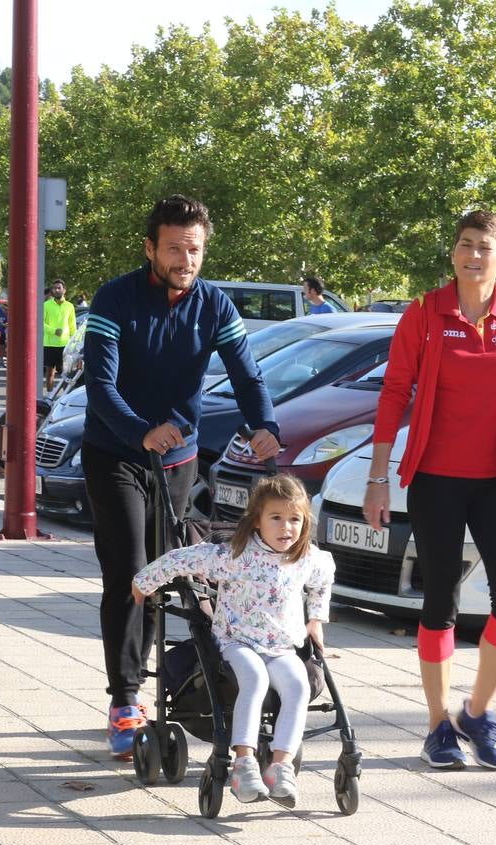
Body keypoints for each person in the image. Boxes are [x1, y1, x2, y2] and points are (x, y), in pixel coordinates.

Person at [83, 193, 281, 759]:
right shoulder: (115, 299)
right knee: (127, 574)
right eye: (174, 248)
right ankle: (124, 699)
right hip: (117, 452)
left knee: (162, 572)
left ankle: (157, 689)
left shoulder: (216, 306)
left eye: (194, 249)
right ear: (150, 248)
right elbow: (101, 385)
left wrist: (263, 423)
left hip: (176, 459)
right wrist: (139, 430)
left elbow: (247, 374)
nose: (185, 259)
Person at [363, 209, 496, 771]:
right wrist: (379, 477)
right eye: (465, 245)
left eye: (485, 247)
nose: (473, 256)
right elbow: (395, 392)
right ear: (453, 252)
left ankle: (477, 712)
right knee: (439, 600)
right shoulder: (424, 313)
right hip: (436, 479)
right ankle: (437, 725)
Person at [133, 475, 333, 807]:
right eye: (277, 518)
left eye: (295, 519)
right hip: (237, 642)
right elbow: (183, 559)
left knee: (298, 686)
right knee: (253, 680)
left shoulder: (306, 557)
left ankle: (281, 766)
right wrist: (144, 581)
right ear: (257, 521)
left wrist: (316, 619)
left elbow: (324, 578)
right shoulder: (236, 555)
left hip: (281, 646)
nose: (287, 528)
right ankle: (244, 762)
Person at [42, 279, 75, 392]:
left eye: (59, 288)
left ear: (64, 290)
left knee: (66, 375)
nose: (56, 290)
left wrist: (74, 343)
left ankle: (64, 397)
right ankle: (49, 397)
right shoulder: (46, 305)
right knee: (50, 373)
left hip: (65, 345)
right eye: (54, 288)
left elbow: (72, 326)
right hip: (49, 344)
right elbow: (40, 323)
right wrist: (53, 331)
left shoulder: (70, 306)